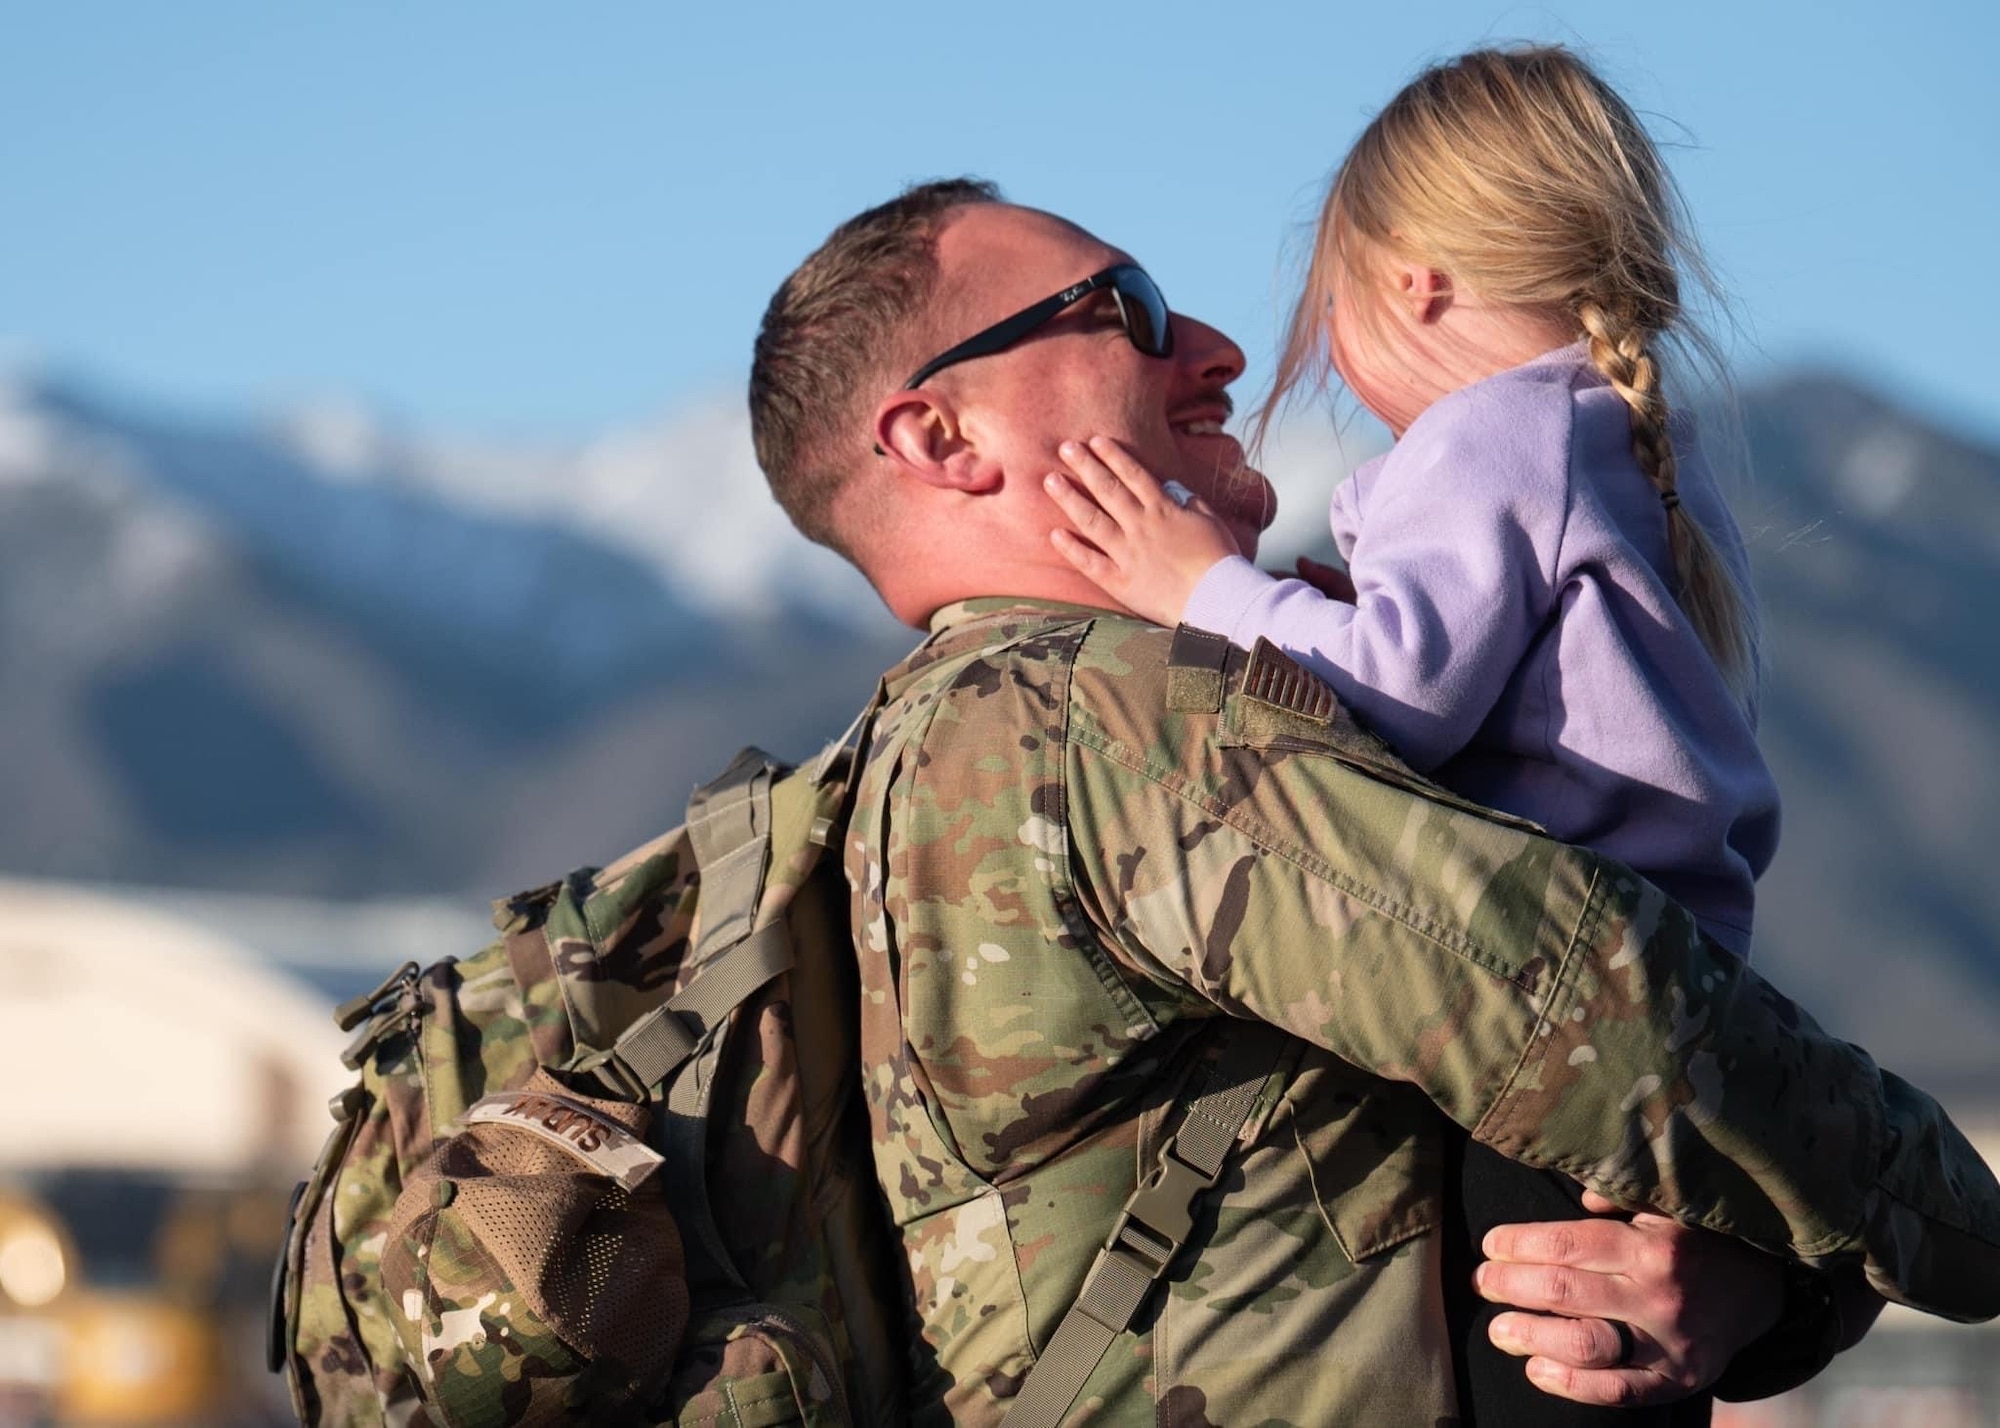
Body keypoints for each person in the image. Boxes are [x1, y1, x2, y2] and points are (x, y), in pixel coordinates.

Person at [746, 177, 1999, 1426]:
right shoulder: (1125, 719)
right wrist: (1938, 1234)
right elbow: (1587, 1007)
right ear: (939, 439)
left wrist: (1733, 1292)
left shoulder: (859, 787)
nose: (1218, 351)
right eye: (1123, 309)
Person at [1035, 47, 1778, 1422]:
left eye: (1333, 320)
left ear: (1414, 283)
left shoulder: (1484, 436)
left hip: (1536, 1008)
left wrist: (1197, 585)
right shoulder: (1617, 436)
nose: (1330, 364)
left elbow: (1398, 693)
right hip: (1664, 992)